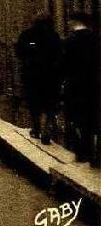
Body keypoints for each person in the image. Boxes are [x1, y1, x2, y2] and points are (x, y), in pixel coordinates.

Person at [15, 13, 62, 144]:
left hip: (31, 76)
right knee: (49, 103)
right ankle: (46, 128)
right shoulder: (54, 36)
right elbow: (60, 55)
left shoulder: (26, 35)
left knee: (34, 103)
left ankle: (36, 129)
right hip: (50, 76)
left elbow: (19, 53)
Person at [62, 12, 100, 166]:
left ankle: (83, 151)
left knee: (77, 118)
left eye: (69, 20)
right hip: (94, 84)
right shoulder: (96, 39)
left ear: (74, 22)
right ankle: (94, 153)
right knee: (93, 117)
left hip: (75, 85)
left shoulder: (69, 41)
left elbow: (63, 65)